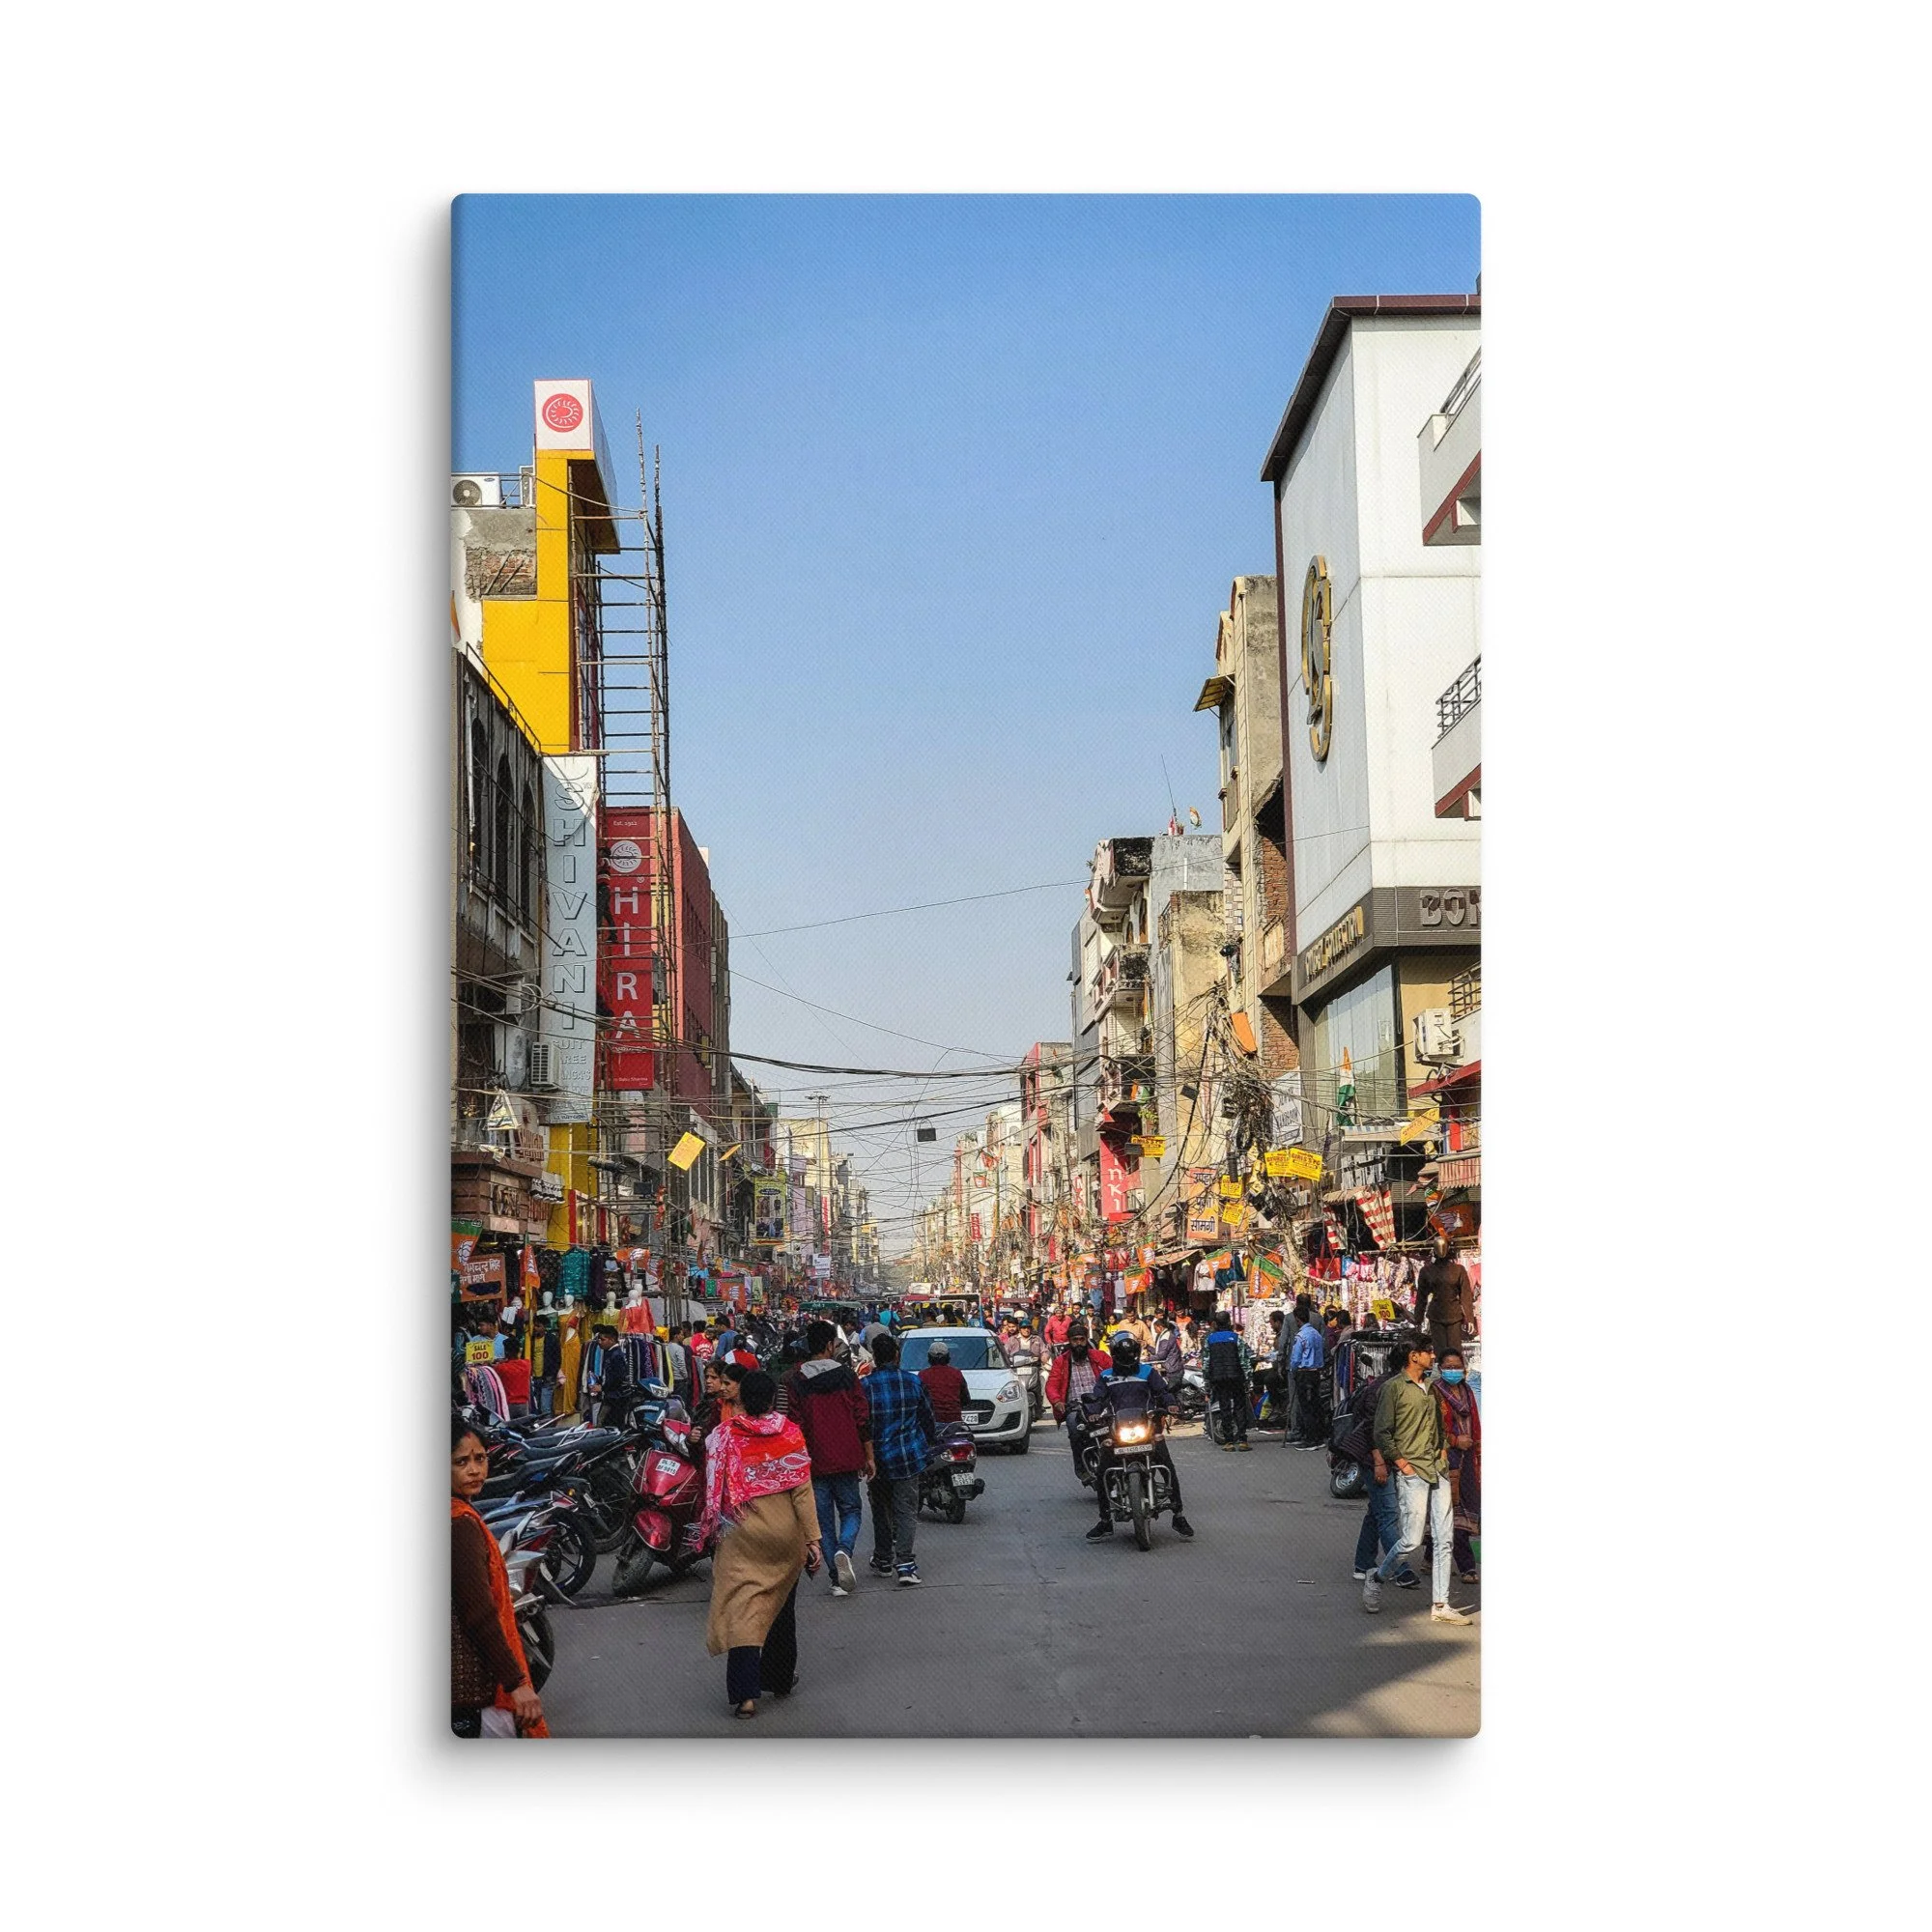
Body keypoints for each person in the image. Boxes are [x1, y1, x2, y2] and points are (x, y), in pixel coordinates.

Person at [699, 1370, 822, 1719]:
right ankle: (779, 1679)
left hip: (740, 1533)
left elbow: (713, 1486)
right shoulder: (790, 1433)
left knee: (743, 1611)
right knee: (781, 1607)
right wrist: (813, 1540)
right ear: (771, 1400)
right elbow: (802, 1493)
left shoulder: (723, 1437)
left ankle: (746, 1697)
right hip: (784, 1534)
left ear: (739, 1398)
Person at [1363, 1335, 1472, 1624]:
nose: (1433, 1357)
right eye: (1428, 1352)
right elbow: (1381, 1432)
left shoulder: (1432, 1389)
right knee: (1411, 1540)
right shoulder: (1393, 1388)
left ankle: (1441, 1604)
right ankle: (1378, 1577)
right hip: (1412, 1472)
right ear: (1414, 1356)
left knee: (1444, 1538)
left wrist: (1443, 1450)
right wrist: (1402, 1463)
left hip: (1437, 1468)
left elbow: (1439, 1425)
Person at [451, 1414, 549, 1737]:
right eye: (461, 1462)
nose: (474, 1470)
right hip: (477, 1693)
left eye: (480, 1459)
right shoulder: (460, 1525)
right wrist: (515, 1683)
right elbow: (479, 1613)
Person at [783, 1321, 872, 1599]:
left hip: (815, 1461)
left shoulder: (797, 1380)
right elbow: (862, 1417)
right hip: (847, 1457)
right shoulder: (847, 1376)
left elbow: (795, 1424)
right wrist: (869, 1456)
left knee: (823, 1521)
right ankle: (845, 1549)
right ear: (829, 1346)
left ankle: (836, 1579)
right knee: (851, 1510)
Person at [1082, 1331, 1193, 1540]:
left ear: (1136, 1353)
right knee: (1103, 1472)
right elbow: (1097, 1398)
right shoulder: (1106, 1376)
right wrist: (1092, 1413)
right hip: (1117, 1432)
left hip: (1147, 1428)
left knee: (1167, 1467)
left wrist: (1171, 1404)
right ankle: (1105, 1520)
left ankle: (1178, 1514)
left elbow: (1163, 1392)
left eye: (1131, 1353)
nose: (1127, 1358)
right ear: (1114, 1354)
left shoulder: (1148, 1372)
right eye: (1122, 1354)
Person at [1334, 1361, 1419, 1591]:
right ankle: (1400, 1569)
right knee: (1388, 1514)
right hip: (1376, 1460)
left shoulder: (1409, 1385)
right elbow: (1372, 1428)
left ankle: (1363, 1563)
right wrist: (1379, 1461)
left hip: (1391, 1458)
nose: (1431, 1357)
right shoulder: (1384, 1388)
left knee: (1378, 1511)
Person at [862, 1332, 939, 1585]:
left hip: (877, 1461)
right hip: (907, 1458)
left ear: (874, 1357)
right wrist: (929, 1442)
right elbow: (927, 1418)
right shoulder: (913, 1382)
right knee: (906, 1512)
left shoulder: (865, 1386)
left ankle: (883, 1560)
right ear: (897, 1355)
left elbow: (861, 1425)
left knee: (881, 1511)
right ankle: (905, 1565)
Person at [1434, 1347, 1482, 1584]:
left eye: (1457, 1367)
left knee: (1461, 1509)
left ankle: (1430, 1556)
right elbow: (1432, 1428)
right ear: (1440, 1368)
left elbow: (1475, 1421)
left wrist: (1477, 1447)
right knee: (1451, 1511)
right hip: (1446, 1458)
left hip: (1468, 1459)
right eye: (1448, 1367)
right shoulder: (1435, 1392)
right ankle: (1467, 1566)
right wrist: (1454, 1441)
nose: (1453, 1371)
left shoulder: (1467, 1391)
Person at [1045, 1318, 1113, 1481]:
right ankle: (1081, 1467)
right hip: (1075, 1407)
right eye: (1075, 1340)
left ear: (1086, 1339)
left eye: (1082, 1339)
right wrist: (1057, 1401)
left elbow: (1114, 1372)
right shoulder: (1061, 1362)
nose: (1079, 1343)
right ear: (1069, 1341)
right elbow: (1052, 1384)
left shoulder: (1100, 1357)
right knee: (1075, 1429)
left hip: (1101, 1404)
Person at [1200, 1310, 1253, 1450]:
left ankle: (1228, 1442)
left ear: (1216, 1324)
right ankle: (1242, 1440)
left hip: (1218, 1378)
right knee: (1240, 1407)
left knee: (1224, 1407)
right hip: (1236, 1377)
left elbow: (1206, 1363)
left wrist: (1207, 1383)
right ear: (1229, 1322)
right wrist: (1248, 1379)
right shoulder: (1236, 1338)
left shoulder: (1210, 1340)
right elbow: (1244, 1361)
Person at [1415, 1237, 1475, 1359]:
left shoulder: (1459, 1270)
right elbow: (1421, 1297)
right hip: (1437, 1316)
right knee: (1440, 1352)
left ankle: (1456, 1370)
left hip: (1454, 1315)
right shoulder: (1426, 1271)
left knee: (1455, 1351)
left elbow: (1466, 1295)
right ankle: (1441, 1370)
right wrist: (1418, 1319)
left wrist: (1470, 1318)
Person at [1289, 1302, 1327, 1449]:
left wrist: (1293, 1371)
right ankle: (1318, 1437)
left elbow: (1296, 1358)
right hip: (1316, 1372)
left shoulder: (1301, 1336)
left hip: (1304, 1373)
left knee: (1306, 1407)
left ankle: (1310, 1439)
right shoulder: (1317, 1335)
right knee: (1315, 1405)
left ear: (1298, 1320)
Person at [585, 1321, 633, 1427]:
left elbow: (618, 1378)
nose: (599, 1342)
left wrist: (602, 1388)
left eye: (603, 1339)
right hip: (612, 1396)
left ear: (612, 1340)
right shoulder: (611, 1353)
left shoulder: (616, 1355)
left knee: (606, 1423)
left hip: (616, 1398)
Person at [918, 1339, 969, 1429]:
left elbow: (919, 1401)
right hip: (954, 1422)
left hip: (931, 1422)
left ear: (929, 1357)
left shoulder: (923, 1375)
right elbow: (966, 1399)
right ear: (948, 1357)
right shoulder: (956, 1373)